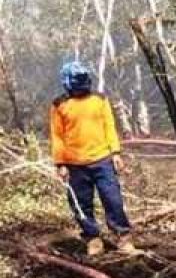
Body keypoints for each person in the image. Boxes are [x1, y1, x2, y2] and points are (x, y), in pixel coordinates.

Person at [49, 60, 135, 256]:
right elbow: (57, 136)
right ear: (67, 82)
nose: (81, 83)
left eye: (83, 79)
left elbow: (109, 127)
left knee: (113, 200)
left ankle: (123, 238)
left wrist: (116, 153)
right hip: (74, 165)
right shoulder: (59, 105)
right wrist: (60, 163)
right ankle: (93, 239)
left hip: (102, 160)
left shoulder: (100, 99)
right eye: (76, 80)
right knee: (81, 204)